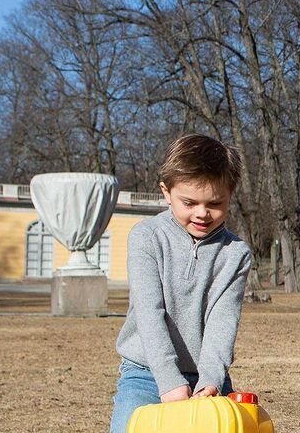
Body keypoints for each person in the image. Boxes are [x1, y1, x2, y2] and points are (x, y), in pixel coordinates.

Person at [109, 134, 252, 433]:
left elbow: (222, 322)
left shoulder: (235, 254)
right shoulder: (147, 237)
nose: (202, 213)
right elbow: (150, 313)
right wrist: (170, 382)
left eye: (215, 203)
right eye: (189, 202)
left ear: (230, 194)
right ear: (166, 191)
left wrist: (211, 380)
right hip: (145, 374)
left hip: (207, 379)